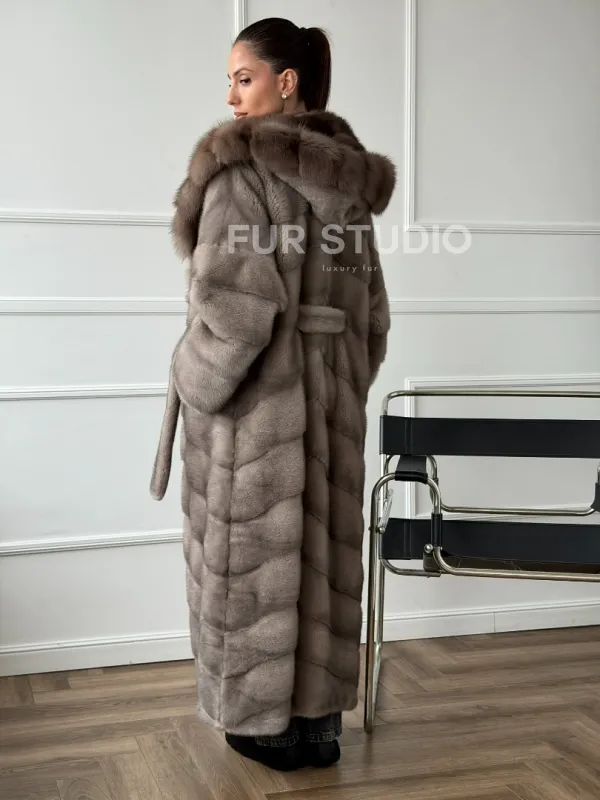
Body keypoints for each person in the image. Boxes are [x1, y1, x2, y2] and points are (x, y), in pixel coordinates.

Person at [150, 17, 395, 772]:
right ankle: (318, 726)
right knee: (321, 557)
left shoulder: (240, 176)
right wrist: (339, 383)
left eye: (243, 77)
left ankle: (263, 726)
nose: (231, 97)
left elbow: (237, 310)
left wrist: (193, 378)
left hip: (256, 412)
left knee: (251, 562)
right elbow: (373, 316)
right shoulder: (347, 185)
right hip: (331, 406)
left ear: (285, 82)